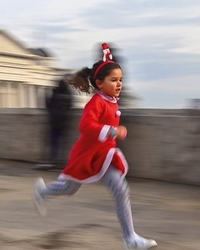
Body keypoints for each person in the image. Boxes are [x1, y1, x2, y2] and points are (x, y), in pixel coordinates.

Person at [33, 44, 157, 250]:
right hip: (89, 155)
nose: (119, 84)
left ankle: (130, 239)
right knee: (69, 189)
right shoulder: (97, 102)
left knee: (119, 188)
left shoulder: (111, 100)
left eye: (121, 80)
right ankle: (43, 192)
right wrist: (112, 131)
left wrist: (114, 132)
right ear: (100, 83)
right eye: (114, 80)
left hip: (104, 154)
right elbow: (85, 125)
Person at [41, 77, 74, 170]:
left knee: (54, 142)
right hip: (64, 122)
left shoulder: (55, 95)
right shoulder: (68, 95)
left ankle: (53, 160)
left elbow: (48, 105)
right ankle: (62, 162)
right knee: (62, 143)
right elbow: (70, 106)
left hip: (54, 122)